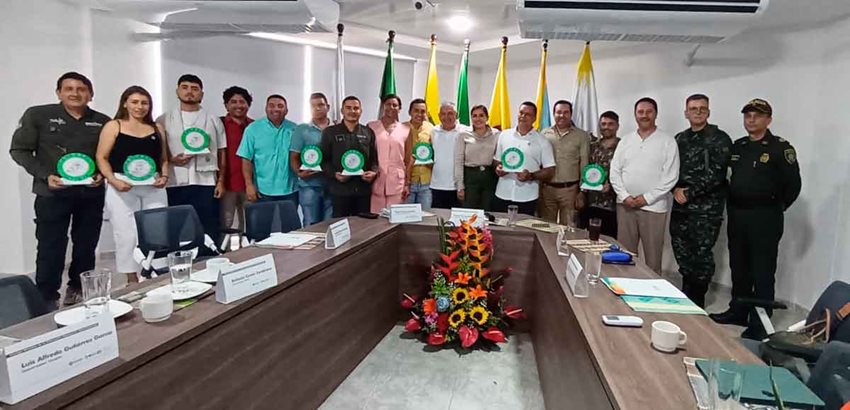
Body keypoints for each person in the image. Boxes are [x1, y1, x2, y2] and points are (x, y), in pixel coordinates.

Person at [9, 72, 110, 308]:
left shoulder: (103, 121)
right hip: (52, 194)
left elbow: (108, 155)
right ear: (59, 93)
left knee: (86, 245)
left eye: (81, 89)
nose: (75, 93)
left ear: (90, 94)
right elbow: (19, 150)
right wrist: (46, 175)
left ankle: (78, 289)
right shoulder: (38, 115)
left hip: (90, 194)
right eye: (69, 88)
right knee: (50, 246)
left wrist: (101, 174)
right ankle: (46, 297)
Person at [710, 99, 801, 340]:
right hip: (738, 214)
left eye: (757, 116)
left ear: (768, 120)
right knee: (739, 266)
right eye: (748, 115)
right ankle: (738, 310)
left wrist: (774, 207)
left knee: (762, 269)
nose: (751, 120)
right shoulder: (738, 147)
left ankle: (760, 323)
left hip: (765, 217)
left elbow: (793, 186)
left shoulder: (780, 149)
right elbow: (728, 179)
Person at [95, 86, 169, 284]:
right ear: (125, 103)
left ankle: (155, 274)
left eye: (144, 103)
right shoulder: (114, 126)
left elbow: (163, 158)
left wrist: (164, 176)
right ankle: (131, 279)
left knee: (157, 231)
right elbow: (101, 157)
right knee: (126, 234)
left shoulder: (157, 128)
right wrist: (113, 180)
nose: (140, 106)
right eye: (135, 102)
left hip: (153, 186)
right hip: (122, 186)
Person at [670, 94, 733, 308]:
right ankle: (686, 292)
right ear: (686, 113)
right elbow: (670, 169)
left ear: (708, 112)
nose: (697, 112)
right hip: (681, 207)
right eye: (693, 108)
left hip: (706, 210)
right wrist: (674, 189)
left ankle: (697, 300)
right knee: (681, 250)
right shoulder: (680, 138)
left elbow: (717, 175)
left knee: (702, 255)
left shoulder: (719, 138)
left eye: (702, 108)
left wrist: (689, 192)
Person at [609, 97, 679, 274]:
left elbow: (671, 176)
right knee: (624, 254)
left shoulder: (667, 141)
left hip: (653, 208)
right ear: (635, 115)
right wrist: (625, 196)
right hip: (625, 205)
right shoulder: (625, 141)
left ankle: (652, 293)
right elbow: (614, 172)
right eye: (640, 112)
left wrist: (646, 198)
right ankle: (625, 288)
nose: (644, 115)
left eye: (649, 112)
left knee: (652, 257)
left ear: (656, 114)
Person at [156, 74, 227, 248]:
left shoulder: (212, 119)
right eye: (185, 87)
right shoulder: (163, 120)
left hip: (206, 181)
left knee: (208, 224)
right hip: (175, 181)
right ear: (177, 91)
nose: (189, 92)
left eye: (194, 89)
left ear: (201, 94)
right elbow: (158, 151)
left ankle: (209, 259)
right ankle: (175, 261)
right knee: (175, 226)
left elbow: (221, 151)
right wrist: (171, 160)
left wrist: (221, 181)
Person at [320, 96, 378, 217]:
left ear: (361, 111)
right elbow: (323, 161)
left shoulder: (368, 132)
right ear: (342, 110)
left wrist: (373, 172)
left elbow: (374, 160)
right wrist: (335, 174)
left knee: (363, 228)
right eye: (348, 108)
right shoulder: (330, 132)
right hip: (340, 191)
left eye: (356, 108)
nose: (352, 111)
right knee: (341, 228)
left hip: (363, 190)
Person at [493, 102, 556, 215]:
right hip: (503, 192)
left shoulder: (542, 141)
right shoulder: (504, 135)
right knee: (500, 229)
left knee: (524, 230)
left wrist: (531, 176)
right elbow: (497, 160)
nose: (523, 116)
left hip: (527, 196)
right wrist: (498, 168)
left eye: (527, 114)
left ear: (534, 118)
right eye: (521, 113)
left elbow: (550, 170)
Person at [237, 94, 299, 205]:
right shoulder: (252, 129)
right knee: (263, 222)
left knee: (290, 222)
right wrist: (249, 185)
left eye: (280, 106)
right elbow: (246, 159)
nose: (276, 109)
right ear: (266, 109)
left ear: (286, 110)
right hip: (263, 190)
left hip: (291, 189)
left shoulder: (295, 129)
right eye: (271, 105)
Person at [540, 100, 590, 226]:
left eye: (565, 112)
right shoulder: (544, 134)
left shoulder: (581, 136)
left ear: (571, 114)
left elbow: (584, 164)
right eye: (558, 112)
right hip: (547, 190)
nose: (562, 115)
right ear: (554, 114)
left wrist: (582, 192)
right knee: (546, 227)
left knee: (568, 229)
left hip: (570, 191)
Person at [290, 92, 332, 226]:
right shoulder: (302, 129)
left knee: (330, 224)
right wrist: (299, 172)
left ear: (328, 107)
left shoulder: (336, 128)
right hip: (309, 185)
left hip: (333, 184)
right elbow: (294, 156)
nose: (317, 108)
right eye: (313, 106)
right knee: (310, 224)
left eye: (320, 105)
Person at [580, 111, 621, 238]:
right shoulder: (592, 146)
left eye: (610, 124)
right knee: (588, 239)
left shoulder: (623, 146)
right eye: (603, 124)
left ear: (617, 126)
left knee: (608, 241)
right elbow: (584, 167)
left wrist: (612, 186)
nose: (606, 127)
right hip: (591, 202)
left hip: (612, 204)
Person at [368, 94, 410, 213]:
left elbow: (408, 159)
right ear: (383, 106)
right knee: (375, 217)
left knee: (394, 218)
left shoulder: (406, 129)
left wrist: (407, 183)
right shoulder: (371, 126)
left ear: (399, 108)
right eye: (387, 104)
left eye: (394, 105)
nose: (391, 107)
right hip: (376, 179)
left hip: (397, 181)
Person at [220, 86, 253, 232]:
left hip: (250, 185)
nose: (238, 105)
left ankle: (251, 254)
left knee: (251, 223)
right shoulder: (218, 124)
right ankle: (227, 254)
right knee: (226, 225)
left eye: (242, 102)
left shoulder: (255, 126)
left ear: (248, 105)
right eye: (233, 102)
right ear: (226, 105)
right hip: (226, 184)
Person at [454, 105, 499, 210]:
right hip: (470, 177)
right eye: (474, 116)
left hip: (490, 177)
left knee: (488, 213)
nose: (478, 119)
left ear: (487, 118)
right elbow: (458, 161)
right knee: (469, 215)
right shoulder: (463, 134)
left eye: (481, 115)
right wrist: (460, 186)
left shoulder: (496, 134)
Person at [431, 102, 464, 209]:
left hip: (458, 187)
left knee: (458, 222)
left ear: (456, 115)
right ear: (439, 116)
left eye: (450, 113)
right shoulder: (433, 131)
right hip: (436, 185)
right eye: (443, 114)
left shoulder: (465, 131)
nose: (446, 117)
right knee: (438, 221)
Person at [404, 99, 434, 208]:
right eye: (416, 111)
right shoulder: (402, 128)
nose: (419, 114)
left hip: (426, 182)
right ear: (410, 112)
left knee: (425, 218)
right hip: (408, 182)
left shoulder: (431, 128)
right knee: (405, 218)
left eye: (423, 111)